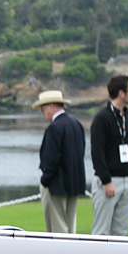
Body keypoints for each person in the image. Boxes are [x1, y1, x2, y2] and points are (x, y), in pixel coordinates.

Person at [90, 75, 128, 236]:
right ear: (121, 93)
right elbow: (97, 152)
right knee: (101, 232)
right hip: (109, 182)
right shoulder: (101, 118)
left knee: (120, 233)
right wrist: (106, 180)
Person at [33, 90, 86, 233]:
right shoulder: (76, 124)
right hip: (74, 183)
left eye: (43, 109)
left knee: (58, 228)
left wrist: (45, 180)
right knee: (71, 226)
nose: (43, 113)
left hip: (56, 185)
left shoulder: (54, 128)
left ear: (51, 106)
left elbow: (51, 159)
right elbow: (80, 154)